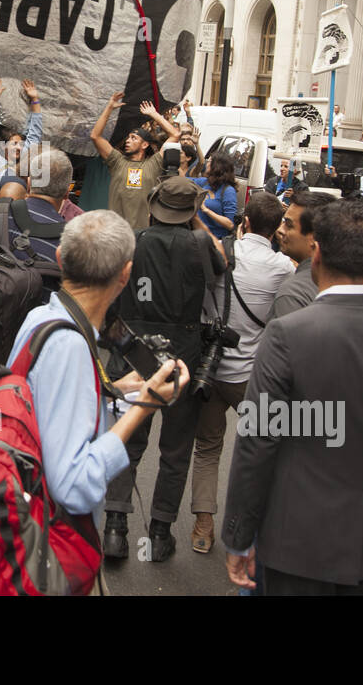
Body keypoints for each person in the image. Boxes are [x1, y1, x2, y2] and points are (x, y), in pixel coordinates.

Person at [222, 200, 363, 595]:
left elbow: (257, 442)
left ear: (317, 252)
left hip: (296, 543)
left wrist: (240, 532)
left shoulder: (288, 334)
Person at [6, 210, 188, 587]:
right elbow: (72, 485)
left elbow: (47, 407)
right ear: (126, 274)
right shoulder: (70, 345)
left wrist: (120, 389)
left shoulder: (42, 317)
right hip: (49, 549)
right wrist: (144, 406)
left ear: (59, 259)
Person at [102, 178, 225, 562]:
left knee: (129, 440)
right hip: (185, 350)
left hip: (135, 347)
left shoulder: (133, 240)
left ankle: (115, 529)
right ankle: (159, 531)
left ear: (155, 205)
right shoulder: (201, 244)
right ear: (189, 212)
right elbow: (221, 269)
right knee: (176, 447)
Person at [189, 192, 294, 554]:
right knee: (262, 449)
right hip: (249, 374)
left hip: (208, 368)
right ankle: (251, 530)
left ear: (244, 221)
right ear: (277, 229)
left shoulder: (219, 251)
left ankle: (203, 527)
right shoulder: (283, 268)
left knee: (206, 448)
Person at [90, 92, 179, 229]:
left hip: (143, 234)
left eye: (134, 138)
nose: (128, 141)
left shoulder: (153, 163)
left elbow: (175, 134)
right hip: (116, 234)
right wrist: (109, 107)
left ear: (144, 145)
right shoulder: (117, 161)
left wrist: (154, 114)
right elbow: (95, 136)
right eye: (128, 137)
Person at [267, 190, 333, 321]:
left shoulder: (292, 294)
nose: (280, 230)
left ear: (314, 236)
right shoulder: (341, 277)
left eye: (289, 225)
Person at [0, 78, 43, 189]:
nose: (19, 147)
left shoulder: (23, 163)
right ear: (4, 146)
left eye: (21, 144)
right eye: (15, 143)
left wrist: (35, 100)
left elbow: (35, 134)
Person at [197, 151, 239, 242]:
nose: (207, 163)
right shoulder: (203, 182)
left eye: (209, 161)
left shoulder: (228, 191)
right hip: (198, 237)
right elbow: (182, 180)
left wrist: (207, 210)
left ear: (217, 165)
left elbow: (230, 224)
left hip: (216, 240)